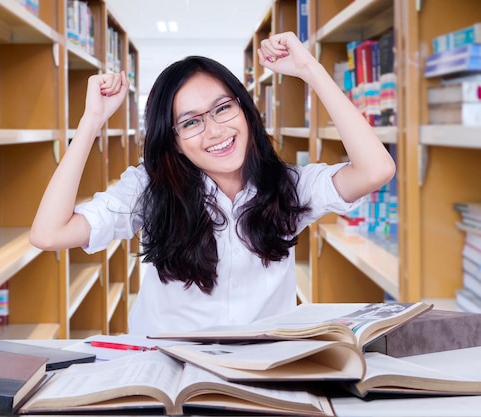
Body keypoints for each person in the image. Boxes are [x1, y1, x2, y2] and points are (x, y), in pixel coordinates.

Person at [29, 32, 396, 336]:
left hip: (263, 374)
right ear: (173, 139)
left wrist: (309, 70)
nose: (215, 131)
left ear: (246, 110)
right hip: (169, 374)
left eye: (223, 108)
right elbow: (48, 233)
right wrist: (92, 121)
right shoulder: (150, 188)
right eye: (190, 122)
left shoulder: (289, 185)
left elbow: (375, 170)